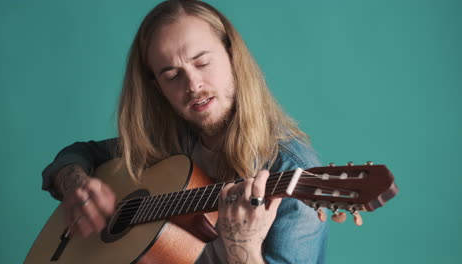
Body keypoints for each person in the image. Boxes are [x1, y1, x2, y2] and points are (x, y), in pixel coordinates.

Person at [42, 0, 328, 263]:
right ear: (157, 87)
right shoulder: (168, 147)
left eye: (202, 62)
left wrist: (245, 247)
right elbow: (77, 153)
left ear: (232, 56)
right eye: (171, 75)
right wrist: (76, 184)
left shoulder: (293, 172)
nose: (192, 84)